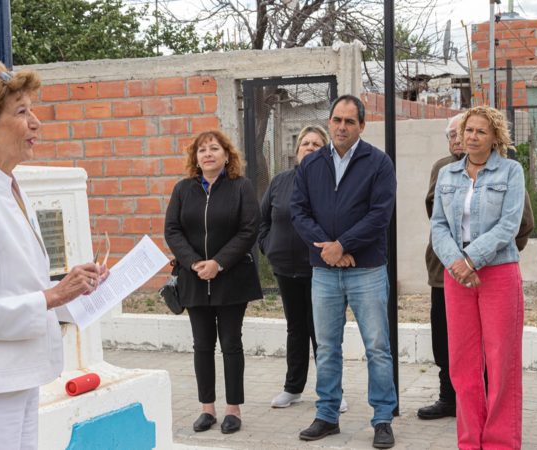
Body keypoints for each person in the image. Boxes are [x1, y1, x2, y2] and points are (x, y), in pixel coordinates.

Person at [0, 59, 108, 449]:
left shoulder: (9, 186)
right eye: (22, 112)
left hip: (14, 380)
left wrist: (72, 289)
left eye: (32, 109)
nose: (36, 122)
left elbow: (19, 286)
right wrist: (53, 295)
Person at [291, 95, 397, 448]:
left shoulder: (378, 163)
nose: (341, 127)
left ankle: (382, 418)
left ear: (362, 126)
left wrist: (345, 246)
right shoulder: (312, 164)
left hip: (366, 270)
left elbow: (380, 215)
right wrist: (330, 249)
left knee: (378, 347)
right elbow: (299, 212)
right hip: (324, 272)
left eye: (349, 121)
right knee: (326, 346)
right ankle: (327, 415)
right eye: (336, 120)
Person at [418, 114, 534, 420]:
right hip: (456, 274)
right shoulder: (446, 173)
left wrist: (472, 259)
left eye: (480, 131)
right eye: (467, 130)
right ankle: (469, 438)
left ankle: (499, 440)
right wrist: (456, 262)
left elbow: (511, 223)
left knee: (500, 361)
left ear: (495, 137)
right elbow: (438, 224)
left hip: (497, 271)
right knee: (462, 360)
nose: (471, 136)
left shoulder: (511, 171)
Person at [164, 130, 263, 435]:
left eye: (214, 149)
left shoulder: (241, 187)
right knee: (202, 345)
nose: (207, 154)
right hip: (193, 280)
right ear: (195, 158)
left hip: (231, 280)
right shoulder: (183, 190)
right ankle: (207, 408)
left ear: (226, 154)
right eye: (202, 150)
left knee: (231, 345)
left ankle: (233, 409)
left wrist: (218, 263)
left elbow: (249, 230)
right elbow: (172, 230)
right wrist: (194, 262)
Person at [259, 125, 347, 413]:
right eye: (305, 143)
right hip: (286, 268)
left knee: (324, 333)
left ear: (326, 151)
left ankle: (333, 392)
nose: (310, 147)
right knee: (296, 329)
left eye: (317, 144)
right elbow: (263, 221)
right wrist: (268, 246)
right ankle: (293, 388)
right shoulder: (280, 182)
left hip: (320, 270)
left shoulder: (333, 182)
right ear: (296, 151)